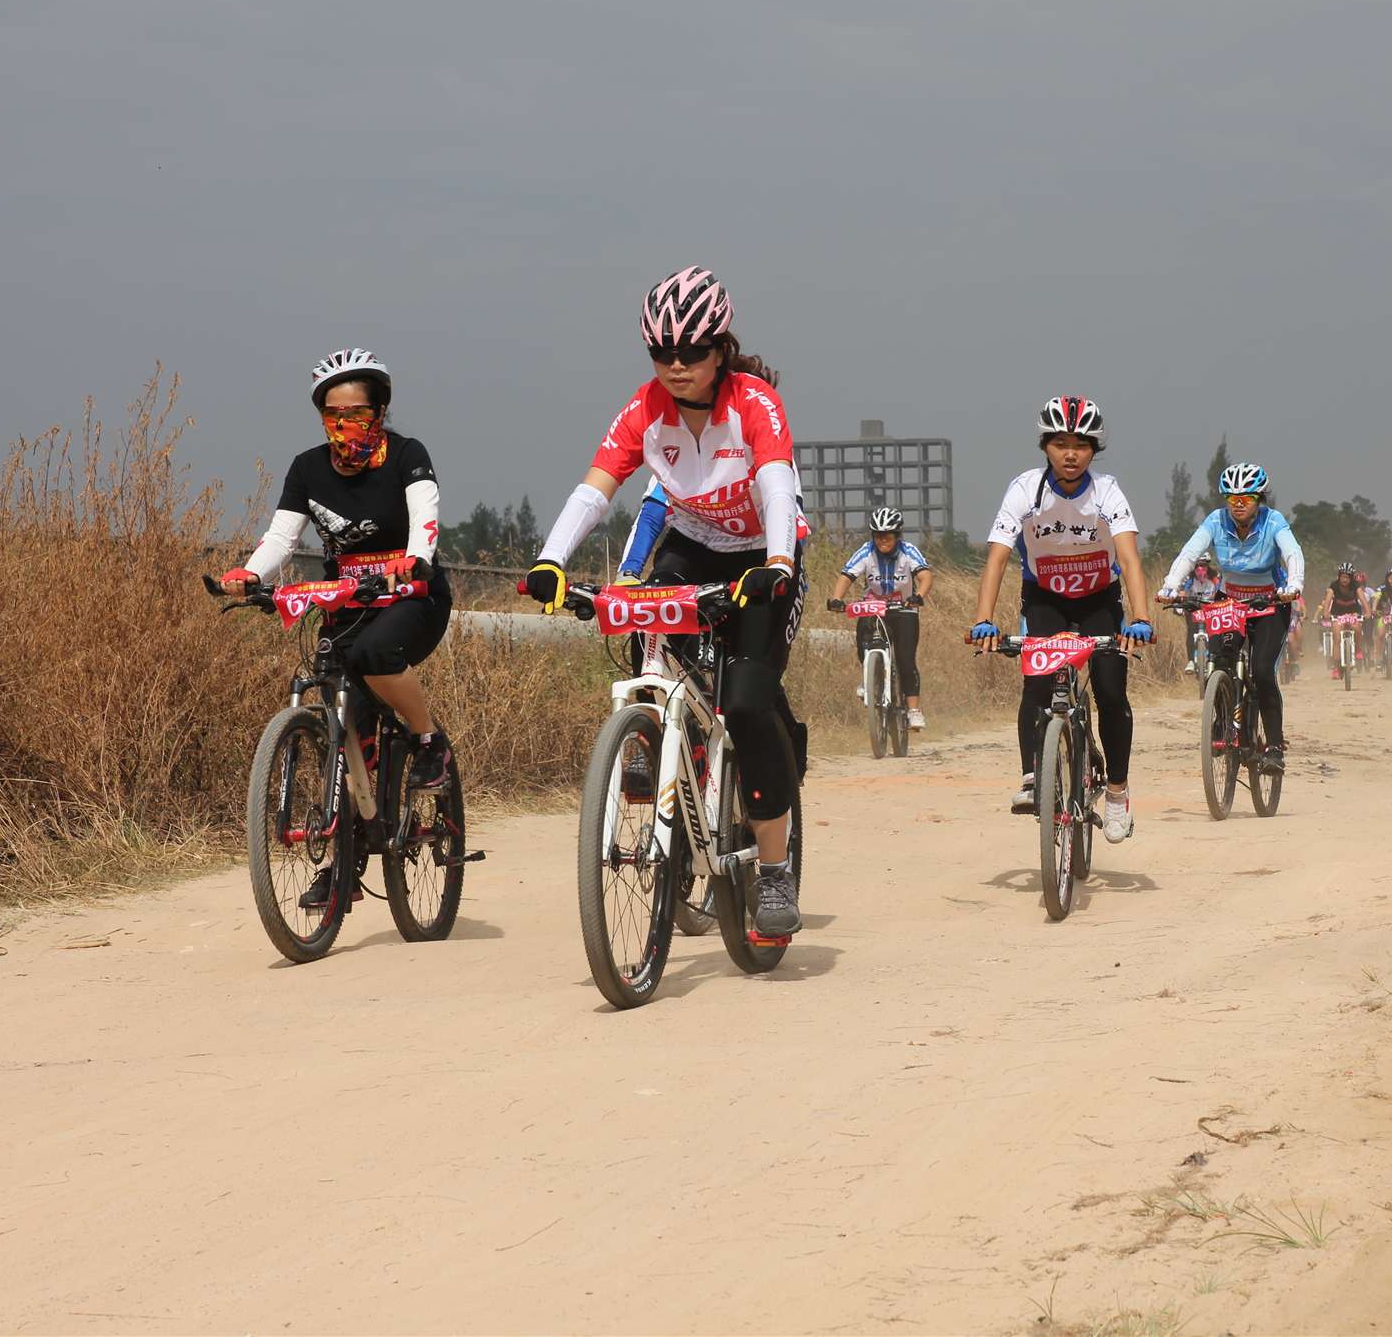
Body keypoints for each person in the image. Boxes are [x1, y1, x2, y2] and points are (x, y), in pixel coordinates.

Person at [524, 267, 811, 939]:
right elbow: (596, 488)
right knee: (642, 615)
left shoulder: (754, 402)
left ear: (721, 349)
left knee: (746, 703)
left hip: (765, 552)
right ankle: (656, 743)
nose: (676, 366)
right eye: (662, 353)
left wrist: (777, 564)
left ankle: (774, 870)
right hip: (693, 545)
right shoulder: (644, 409)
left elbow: (775, 487)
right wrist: (549, 559)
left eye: (691, 352)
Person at [218, 347, 455, 908]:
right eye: (333, 414)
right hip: (346, 600)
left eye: (358, 413)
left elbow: (425, 517)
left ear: (380, 411)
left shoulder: (407, 455)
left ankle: (429, 741)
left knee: (374, 654)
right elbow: (282, 537)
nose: (345, 424)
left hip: (412, 596)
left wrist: (416, 560)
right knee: (343, 718)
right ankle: (345, 858)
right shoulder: (307, 468)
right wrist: (250, 575)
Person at [969, 397, 1154, 841]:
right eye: (1060, 444)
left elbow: (1129, 558)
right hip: (1045, 598)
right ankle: (1033, 777)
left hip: (1099, 600)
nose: (1070, 454)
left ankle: (1116, 792)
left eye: (1081, 445)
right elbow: (997, 558)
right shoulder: (1024, 490)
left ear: (1094, 450)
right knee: (1036, 684)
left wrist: (1141, 618)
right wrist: (983, 620)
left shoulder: (1107, 491)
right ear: (1045, 446)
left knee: (1110, 690)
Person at [1155, 461, 1304, 771]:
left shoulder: (1273, 521)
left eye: (1246, 498)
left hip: (1270, 601)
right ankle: (1222, 721)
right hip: (1230, 599)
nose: (1238, 504)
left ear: (1259, 499)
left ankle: (1275, 747)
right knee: (1220, 659)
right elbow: (1189, 553)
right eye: (1232, 498)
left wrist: (1294, 584)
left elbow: (1292, 552)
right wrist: (1171, 585)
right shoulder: (1216, 520)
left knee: (1262, 671)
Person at [827, 507, 933, 728]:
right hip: (873, 608)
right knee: (863, 643)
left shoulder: (908, 551)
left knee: (905, 660)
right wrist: (836, 599)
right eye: (878, 535)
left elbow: (925, 576)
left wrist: (918, 596)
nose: (882, 540)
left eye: (888, 535)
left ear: (897, 535)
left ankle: (914, 710)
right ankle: (870, 678)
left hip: (904, 609)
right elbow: (846, 576)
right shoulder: (866, 552)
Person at [1317, 564, 1366, 677]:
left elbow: (1363, 599)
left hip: (1353, 612)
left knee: (1357, 628)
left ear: (1351, 578)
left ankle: (1358, 650)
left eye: (1347, 577)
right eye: (1343, 577)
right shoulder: (1334, 585)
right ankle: (1336, 668)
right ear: (1339, 577)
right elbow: (1328, 599)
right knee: (1337, 638)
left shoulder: (1356, 585)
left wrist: (1367, 612)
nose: (1345, 580)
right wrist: (1326, 613)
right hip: (1337, 614)